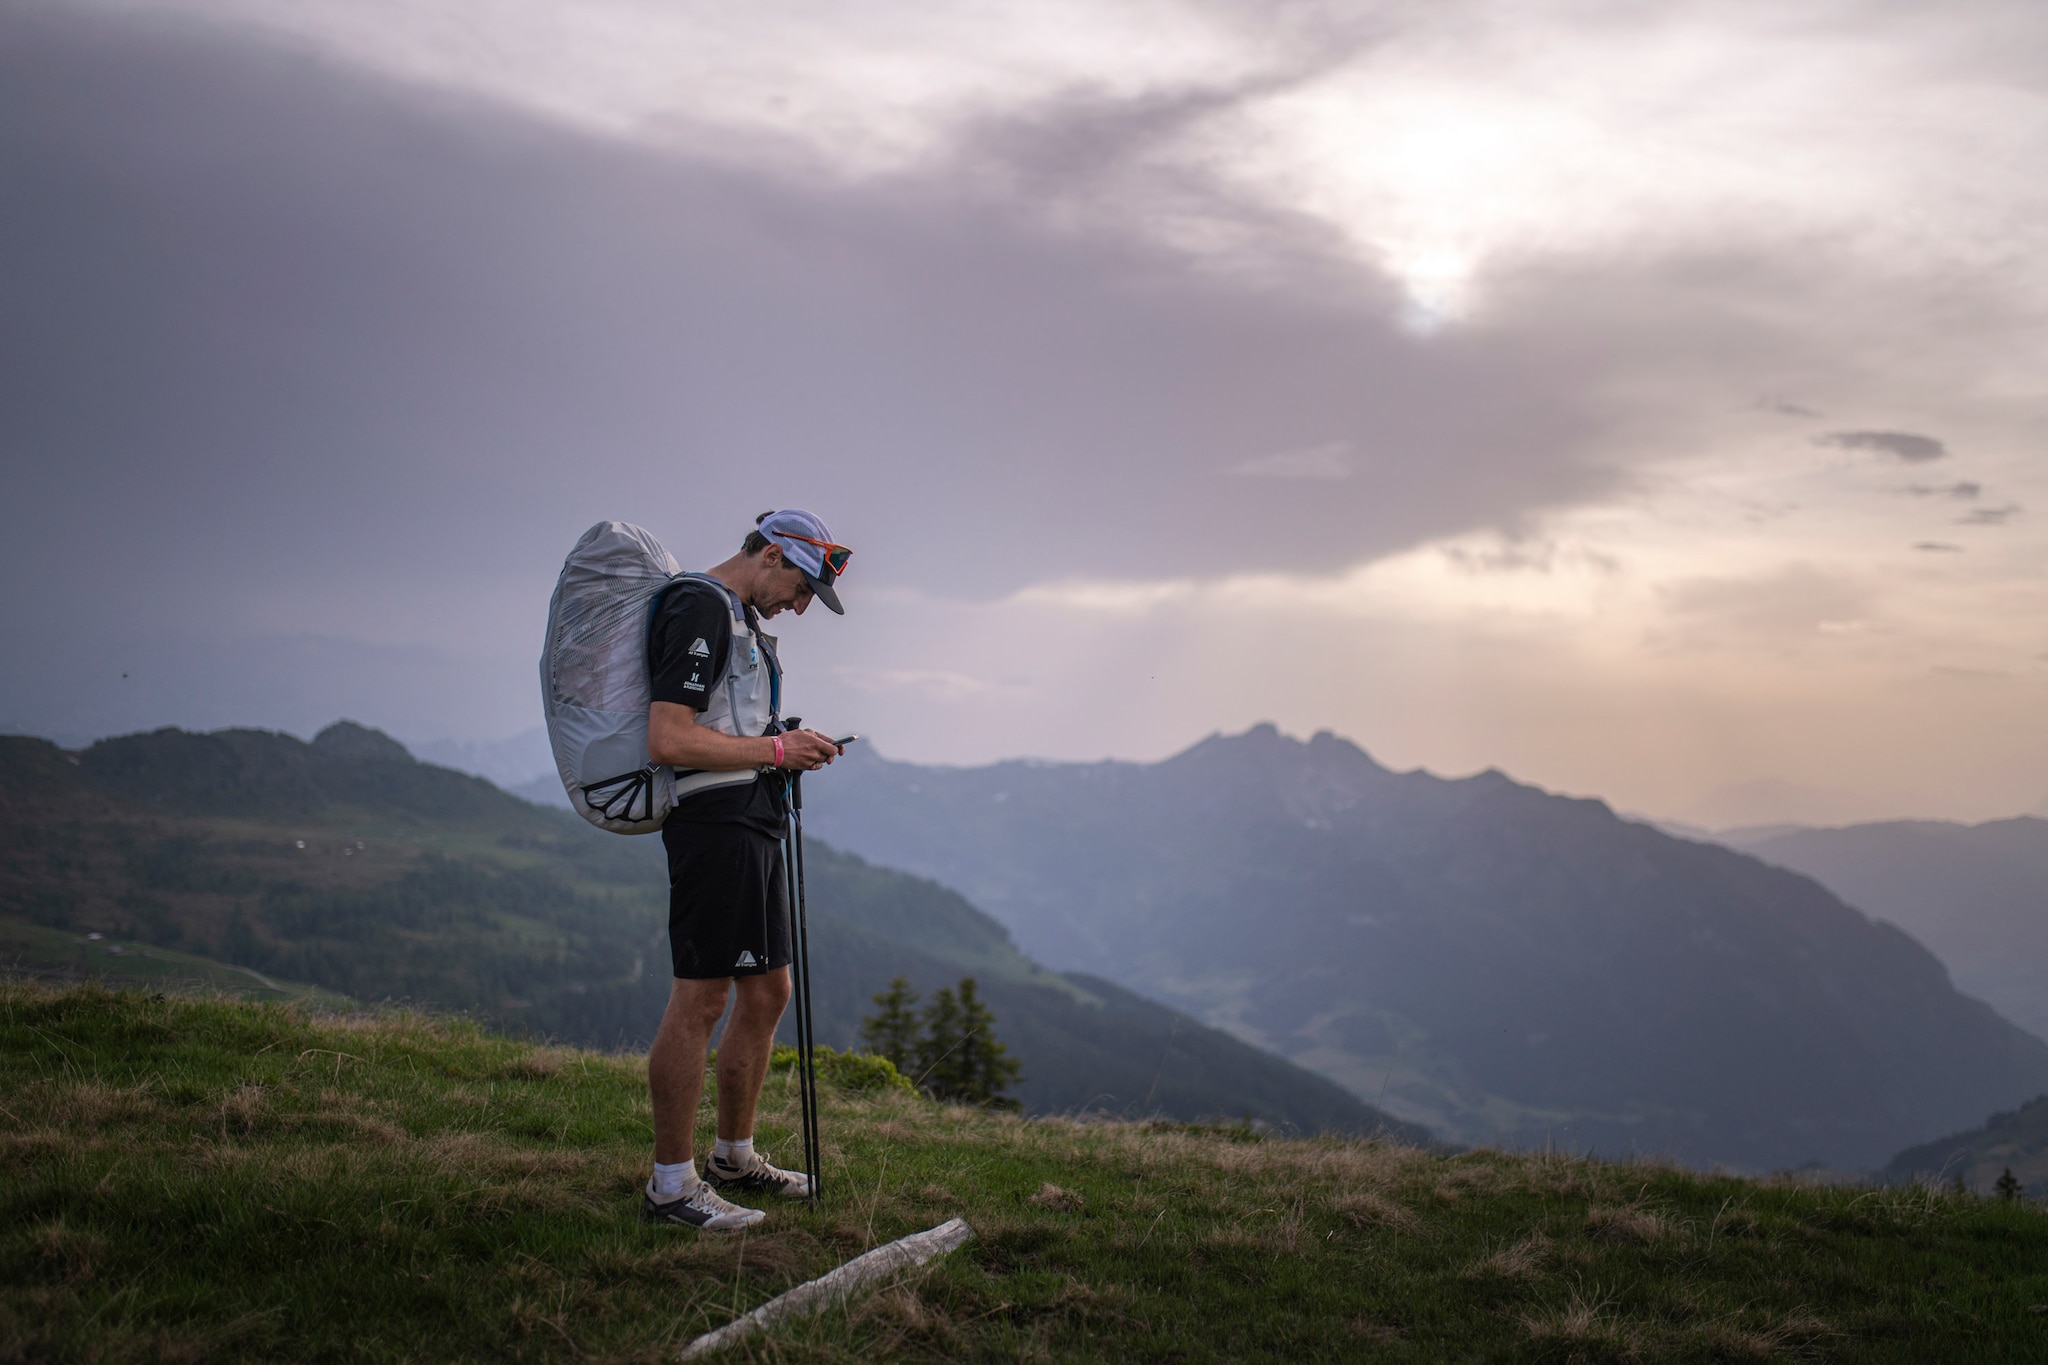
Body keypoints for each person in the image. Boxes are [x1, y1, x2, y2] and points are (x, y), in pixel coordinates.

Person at [638, 509, 852, 1229]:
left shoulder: (740, 620)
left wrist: (784, 740)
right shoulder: (700, 605)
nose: (798, 604)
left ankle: (733, 1155)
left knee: (767, 990)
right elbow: (668, 736)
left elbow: (726, 723)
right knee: (701, 998)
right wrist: (776, 754)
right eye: (799, 587)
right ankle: (672, 1187)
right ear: (768, 555)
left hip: (752, 818)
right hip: (713, 825)